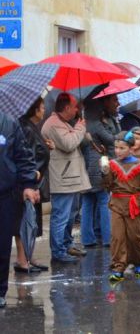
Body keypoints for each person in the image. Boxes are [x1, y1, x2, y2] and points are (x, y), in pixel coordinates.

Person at [41, 93, 92, 263]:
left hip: (70, 178)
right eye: (75, 106)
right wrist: (79, 128)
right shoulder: (53, 124)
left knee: (70, 214)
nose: (77, 109)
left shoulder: (63, 123)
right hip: (63, 178)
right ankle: (58, 252)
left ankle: (66, 244)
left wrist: (81, 131)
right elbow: (69, 144)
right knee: (60, 216)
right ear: (67, 107)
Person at [102, 131, 140, 282]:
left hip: (133, 204)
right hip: (117, 203)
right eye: (116, 148)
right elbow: (108, 185)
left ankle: (139, 261)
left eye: (122, 148)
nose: (118, 151)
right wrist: (105, 173)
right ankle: (118, 267)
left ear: (131, 149)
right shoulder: (112, 164)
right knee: (117, 237)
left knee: (134, 236)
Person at [0, 112, 39, 308]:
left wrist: (29, 185)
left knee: (1, 246)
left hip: (4, 194)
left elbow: (23, 156)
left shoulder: (8, 122)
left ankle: (0, 291)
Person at [16, 97, 51, 273]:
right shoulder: (26, 128)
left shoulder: (30, 126)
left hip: (35, 180)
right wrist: (32, 179)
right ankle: (23, 260)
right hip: (31, 182)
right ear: (35, 110)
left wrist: (46, 147)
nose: (44, 111)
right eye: (42, 108)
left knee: (31, 220)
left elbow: (37, 150)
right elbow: (28, 155)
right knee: (26, 220)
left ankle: (28, 257)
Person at [82, 95, 120, 249]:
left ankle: (87, 239)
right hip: (98, 167)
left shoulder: (83, 124)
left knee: (87, 203)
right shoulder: (97, 124)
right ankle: (107, 238)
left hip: (85, 167)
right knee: (104, 202)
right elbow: (112, 140)